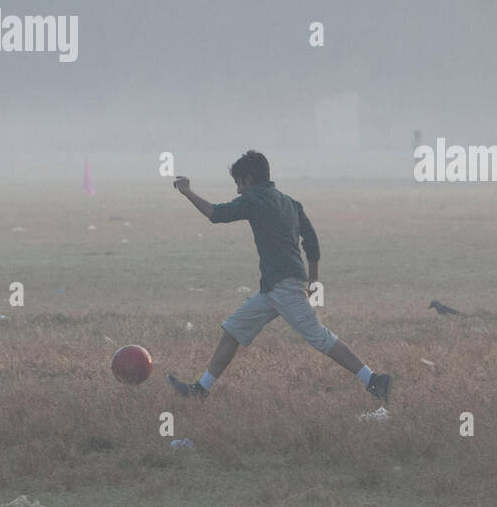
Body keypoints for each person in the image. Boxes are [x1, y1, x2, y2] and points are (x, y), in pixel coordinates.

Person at [167, 150, 391, 403]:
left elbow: (216, 214)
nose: (239, 191)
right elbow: (312, 242)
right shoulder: (290, 202)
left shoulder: (255, 199)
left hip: (284, 287)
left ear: (249, 179)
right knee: (233, 330)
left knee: (320, 338)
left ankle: (374, 380)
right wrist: (314, 280)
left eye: (239, 183)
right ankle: (201, 389)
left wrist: (187, 192)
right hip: (273, 289)